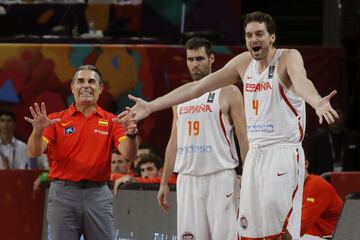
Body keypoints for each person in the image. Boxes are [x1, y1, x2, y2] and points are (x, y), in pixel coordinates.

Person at [121, 11, 339, 240]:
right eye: (248, 35)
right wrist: (151, 106)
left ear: (272, 37)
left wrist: (316, 101)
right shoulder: (244, 63)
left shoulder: (288, 57)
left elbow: (302, 80)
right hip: (255, 155)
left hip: (281, 150)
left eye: (259, 34)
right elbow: (196, 88)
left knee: (279, 228)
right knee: (250, 231)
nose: (253, 40)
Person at [25, 64, 138, 240]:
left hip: (98, 194)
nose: (86, 85)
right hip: (63, 194)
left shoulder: (111, 121)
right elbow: (34, 151)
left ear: (100, 89)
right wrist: (37, 132)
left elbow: (129, 154)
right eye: (80, 81)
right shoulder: (56, 120)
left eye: (92, 82)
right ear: (72, 87)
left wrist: (131, 134)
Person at [156, 37, 248, 240]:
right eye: (190, 59)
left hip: (220, 176)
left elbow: (244, 138)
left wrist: (249, 176)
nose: (194, 64)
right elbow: (174, 141)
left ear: (212, 58)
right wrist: (164, 182)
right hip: (188, 178)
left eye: (199, 58)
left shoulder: (229, 91)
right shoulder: (179, 96)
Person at [306, 105, 360, 174]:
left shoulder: (355, 138)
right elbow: (311, 167)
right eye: (330, 114)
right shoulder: (317, 140)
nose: (334, 118)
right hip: (324, 181)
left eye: (337, 114)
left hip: (351, 181)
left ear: (344, 116)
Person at [301, 160, 343, 239]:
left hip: (329, 237)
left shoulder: (316, 184)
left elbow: (299, 227)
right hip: (312, 236)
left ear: (305, 164)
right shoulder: (291, 190)